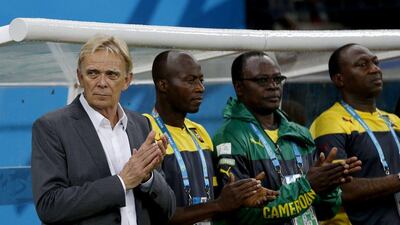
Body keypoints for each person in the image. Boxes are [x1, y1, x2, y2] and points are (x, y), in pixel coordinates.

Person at [31, 35, 175, 225]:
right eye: (92, 73)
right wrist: (122, 181)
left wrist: (148, 178)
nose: (102, 82)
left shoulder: (141, 124)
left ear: (127, 80)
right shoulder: (51, 127)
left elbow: (169, 208)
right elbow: (49, 206)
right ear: (80, 77)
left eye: (112, 74)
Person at [213, 51, 362, 225]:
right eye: (262, 80)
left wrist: (327, 189)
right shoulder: (230, 138)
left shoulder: (300, 133)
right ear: (239, 87)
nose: (273, 86)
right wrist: (309, 187)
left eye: (278, 79)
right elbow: (244, 216)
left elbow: (324, 211)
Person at [144, 50, 279, 225]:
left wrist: (241, 197)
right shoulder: (145, 130)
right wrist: (219, 205)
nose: (201, 88)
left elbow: (215, 198)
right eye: (191, 81)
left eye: (201, 80)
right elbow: (158, 214)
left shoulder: (200, 132)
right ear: (163, 85)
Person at [310, 43, 400, 225]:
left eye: (376, 63)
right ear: (339, 79)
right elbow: (341, 190)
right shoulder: (330, 122)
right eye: (363, 64)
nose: (375, 69)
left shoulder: (394, 121)